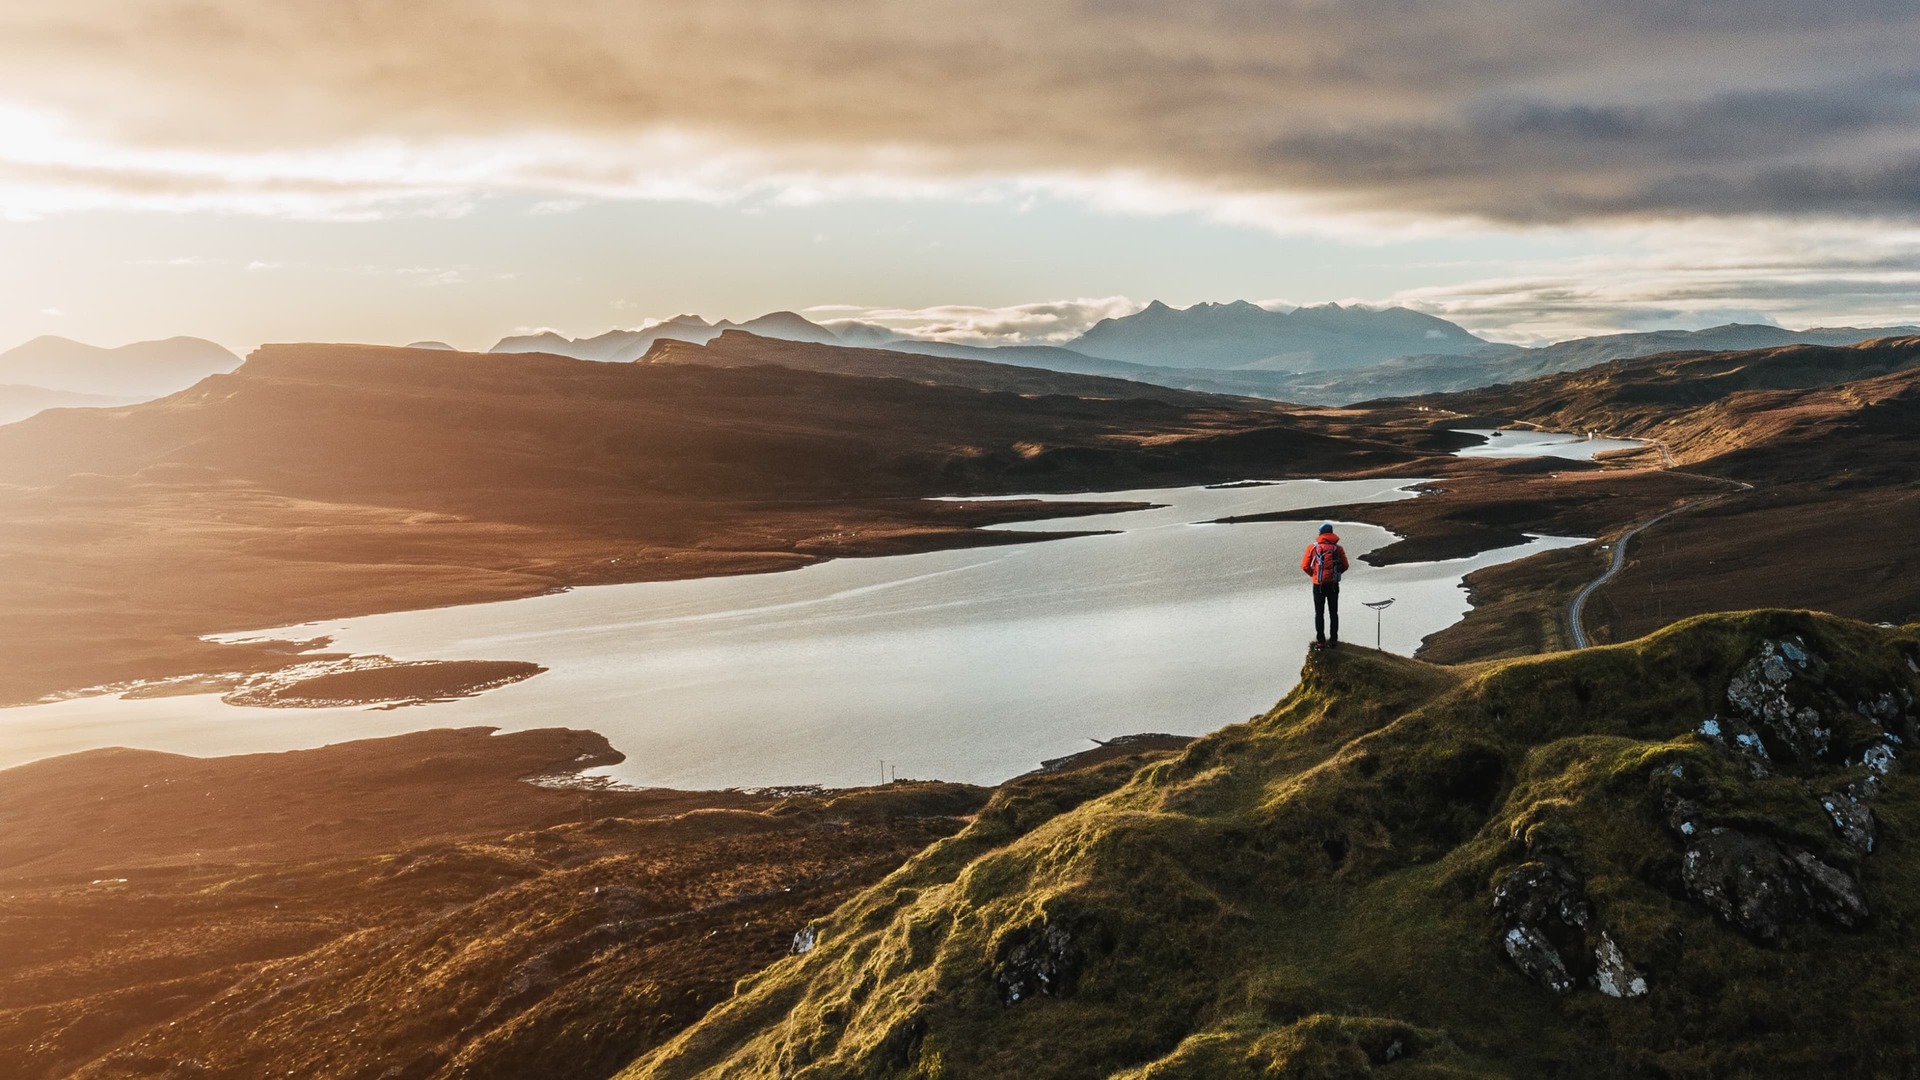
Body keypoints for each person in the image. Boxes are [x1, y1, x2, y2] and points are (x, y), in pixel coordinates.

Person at [1300, 523, 1350, 647]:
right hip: (1333, 584)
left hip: (1319, 585)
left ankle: (1321, 641)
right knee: (1333, 613)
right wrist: (1335, 575)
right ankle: (1333, 640)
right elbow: (1345, 565)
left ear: (1320, 533)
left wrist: (1315, 575)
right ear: (1332, 533)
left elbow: (1305, 566)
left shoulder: (1313, 547)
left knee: (1319, 613)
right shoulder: (1338, 548)